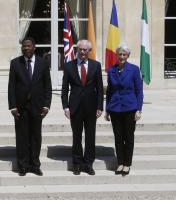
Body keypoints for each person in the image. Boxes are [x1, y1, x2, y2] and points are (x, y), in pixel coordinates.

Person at [8, 37, 52, 176]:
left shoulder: (43, 63)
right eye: (24, 46)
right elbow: (11, 86)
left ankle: (35, 165)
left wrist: (46, 105)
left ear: (34, 47)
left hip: (37, 107)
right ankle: (22, 166)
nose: (26, 48)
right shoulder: (15, 63)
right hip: (20, 108)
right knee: (21, 137)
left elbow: (47, 86)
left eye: (28, 46)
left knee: (35, 137)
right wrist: (13, 106)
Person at [61, 39, 104, 175]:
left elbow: (99, 88)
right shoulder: (68, 66)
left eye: (85, 50)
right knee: (77, 136)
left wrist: (100, 106)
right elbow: (64, 89)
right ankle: (77, 163)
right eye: (80, 49)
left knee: (90, 137)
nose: (83, 52)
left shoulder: (96, 66)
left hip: (91, 107)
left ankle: (88, 163)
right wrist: (66, 107)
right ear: (76, 50)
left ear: (89, 51)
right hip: (75, 107)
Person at [105, 43, 143, 176]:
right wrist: (107, 109)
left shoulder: (134, 69)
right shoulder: (111, 70)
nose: (121, 57)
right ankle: (120, 162)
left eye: (124, 54)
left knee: (129, 137)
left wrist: (139, 109)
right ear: (116, 55)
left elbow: (139, 91)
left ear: (128, 56)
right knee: (118, 137)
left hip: (130, 108)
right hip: (115, 108)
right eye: (120, 54)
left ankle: (127, 164)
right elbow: (109, 91)